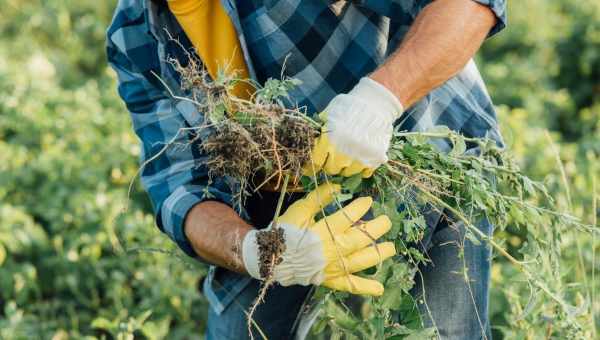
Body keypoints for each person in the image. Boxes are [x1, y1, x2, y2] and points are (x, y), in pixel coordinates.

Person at [107, 0, 506, 339]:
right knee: (244, 328)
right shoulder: (135, 33)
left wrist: (378, 100)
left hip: (420, 148)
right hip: (278, 205)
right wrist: (256, 251)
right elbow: (182, 189)